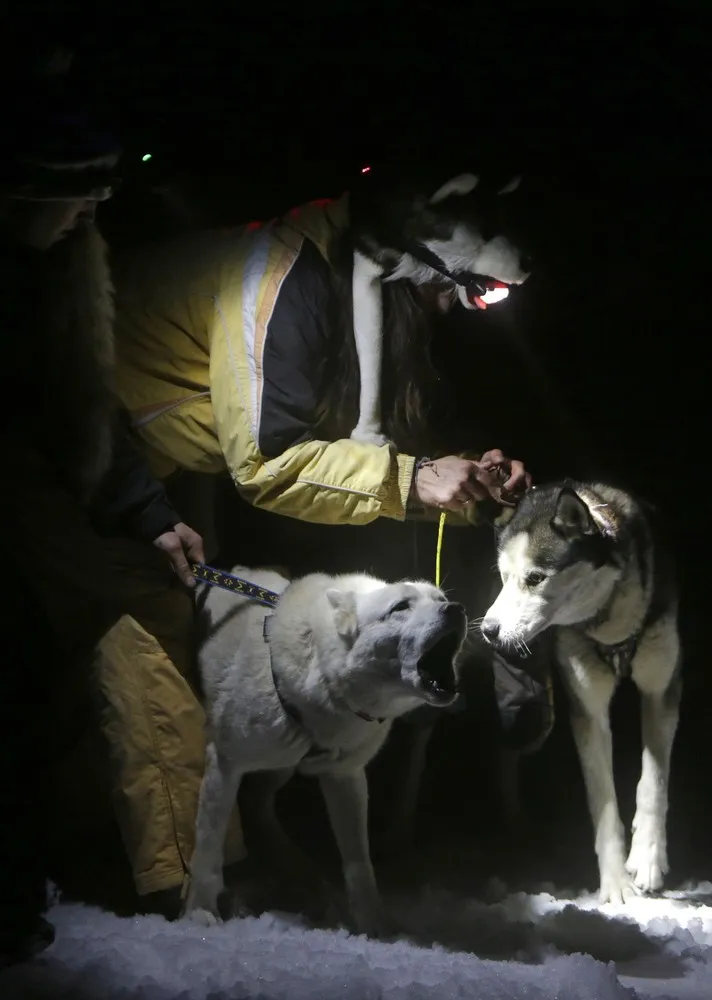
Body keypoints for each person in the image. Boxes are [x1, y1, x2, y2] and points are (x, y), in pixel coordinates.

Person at [98, 182, 534, 913]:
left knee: (192, 620)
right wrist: (415, 479)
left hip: (170, 456)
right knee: (150, 635)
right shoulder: (282, 284)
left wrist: (463, 483)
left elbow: (364, 440)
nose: (455, 311)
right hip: (84, 438)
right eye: (458, 293)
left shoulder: (357, 291)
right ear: (414, 256)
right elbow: (268, 462)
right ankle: (185, 891)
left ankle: (232, 849)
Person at [0, 52, 232, 966]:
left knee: (45, 697)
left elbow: (84, 411)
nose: (89, 217)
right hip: (22, 533)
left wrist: (150, 513)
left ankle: (33, 882)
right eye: (75, 199)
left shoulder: (58, 274)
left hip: (48, 525)